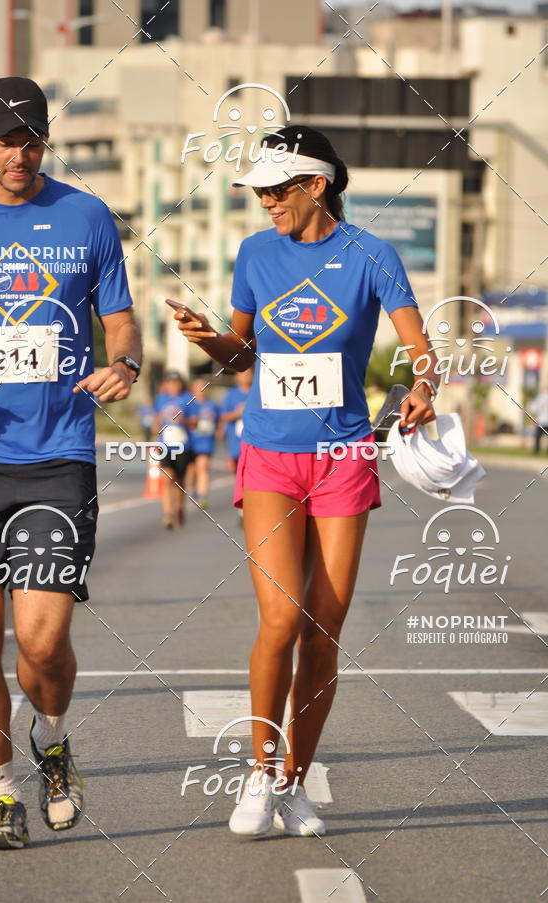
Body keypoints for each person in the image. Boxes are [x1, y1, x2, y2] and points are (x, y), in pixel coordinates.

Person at [172, 125, 437, 837]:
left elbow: (420, 349)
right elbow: (242, 354)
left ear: (317, 185)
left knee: (323, 630)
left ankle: (293, 783)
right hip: (270, 454)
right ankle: (259, 773)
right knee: (282, 618)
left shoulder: (373, 255)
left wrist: (422, 386)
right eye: (258, 191)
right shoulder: (255, 254)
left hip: (344, 456)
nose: (265, 201)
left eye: (276, 189)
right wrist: (208, 338)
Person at [0, 77, 142, 849]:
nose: (19, 155)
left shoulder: (86, 215)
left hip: (58, 454)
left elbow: (120, 320)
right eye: (7, 140)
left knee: (40, 641)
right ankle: (0, 796)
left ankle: (51, 739)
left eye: (32, 141)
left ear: (46, 141)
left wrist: (124, 364)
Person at [154, 370, 195, 529]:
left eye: (176, 383)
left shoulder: (188, 399)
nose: (173, 386)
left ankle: (179, 508)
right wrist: (156, 426)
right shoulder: (161, 399)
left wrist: (183, 420)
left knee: (179, 480)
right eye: (170, 383)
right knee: (167, 477)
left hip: (183, 445)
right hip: (165, 445)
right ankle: (167, 514)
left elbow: (195, 422)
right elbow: (157, 420)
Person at [187, 378, 220, 509]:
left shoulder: (212, 405)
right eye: (198, 387)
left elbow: (220, 420)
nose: (201, 390)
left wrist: (219, 430)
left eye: (204, 387)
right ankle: (193, 491)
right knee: (192, 470)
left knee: (203, 466)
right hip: (190, 441)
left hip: (205, 442)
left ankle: (203, 496)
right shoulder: (189, 404)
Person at [219, 369, 253, 473]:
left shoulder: (258, 392)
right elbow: (223, 416)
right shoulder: (232, 393)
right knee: (237, 473)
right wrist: (237, 413)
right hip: (236, 442)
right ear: (237, 376)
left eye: (248, 374)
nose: (245, 376)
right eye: (243, 374)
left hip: (254, 442)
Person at [529, 386, 548, 453]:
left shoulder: (540, 397)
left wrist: (534, 418)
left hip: (541, 421)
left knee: (538, 437)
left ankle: (536, 451)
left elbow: (534, 409)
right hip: (542, 420)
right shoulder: (540, 397)